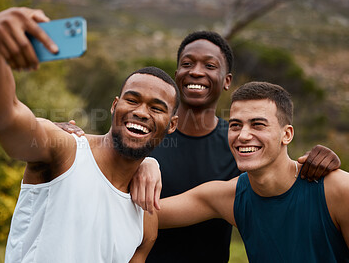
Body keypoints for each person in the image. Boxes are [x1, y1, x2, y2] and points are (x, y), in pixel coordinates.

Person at [60, 31, 341, 262]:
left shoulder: (239, 150)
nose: (196, 72)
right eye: (188, 63)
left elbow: (277, 167)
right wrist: (69, 140)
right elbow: (100, 167)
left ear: (226, 80)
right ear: (177, 73)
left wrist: (322, 160)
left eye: (209, 65)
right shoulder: (142, 136)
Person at [0, 7, 180, 263]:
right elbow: (4, 117)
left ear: (171, 125)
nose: (141, 112)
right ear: (115, 106)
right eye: (132, 100)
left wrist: (150, 162)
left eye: (156, 108)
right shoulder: (65, 149)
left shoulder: (146, 216)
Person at [158, 81, 349, 262]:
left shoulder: (337, 190)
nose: (243, 136)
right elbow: (143, 217)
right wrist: (146, 164)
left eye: (258, 124)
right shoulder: (231, 196)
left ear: (287, 134)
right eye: (235, 125)